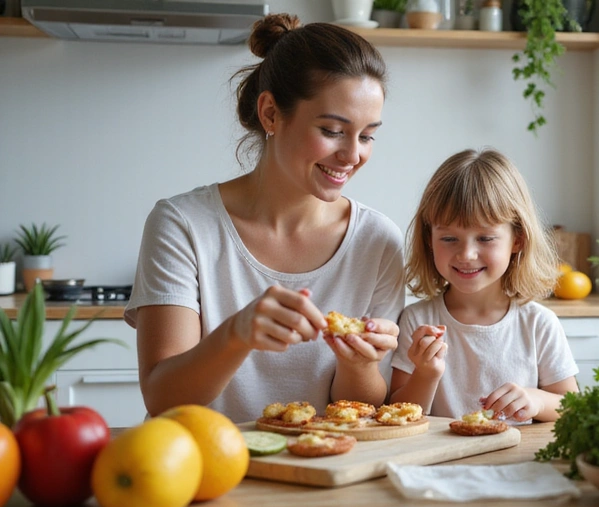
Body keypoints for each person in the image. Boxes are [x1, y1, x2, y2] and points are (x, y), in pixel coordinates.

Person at [125, 13, 404, 423]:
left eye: (367, 136)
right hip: (202, 470)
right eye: (331, 130)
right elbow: (162, 398)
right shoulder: (183, 224)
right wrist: (237, 333)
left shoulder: (378, 241)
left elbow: (364, 408)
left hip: (321, 471)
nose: (352, 155)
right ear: (271, 113)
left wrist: (360, 365)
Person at [389, 148, 579, 424]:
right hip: (440, 464)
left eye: (486, 238)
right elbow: (398, 413)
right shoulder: (417, 321)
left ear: (518, 239)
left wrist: (536, 400)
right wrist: (426, 373)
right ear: (429, 239)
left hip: (512, 461)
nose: (466, 254)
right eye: (449, 239)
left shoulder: (538, 324)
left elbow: (572, 406)